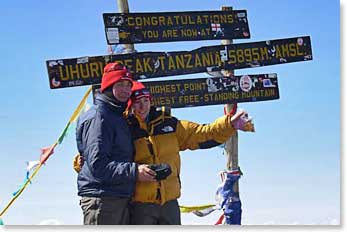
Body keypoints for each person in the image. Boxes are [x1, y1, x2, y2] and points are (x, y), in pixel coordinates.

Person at [74, 81, 254, 225]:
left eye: (145, 100)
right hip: (140, 206)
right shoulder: (124, 128)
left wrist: (229, 124)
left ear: (151, 101)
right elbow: (103, 154)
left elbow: (202, 133)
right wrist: (81, 163)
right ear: (129, 105)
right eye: (136, 102)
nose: (142, 107)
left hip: (170, 203)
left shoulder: (169, 125)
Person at [75, 62, 156, 225]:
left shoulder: (116, 117)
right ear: (108, 86)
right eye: (120, 85)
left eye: (128, 85)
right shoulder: (100, 117)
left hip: (116, 197)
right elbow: (98, 165)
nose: (126, 90)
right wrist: (135, 171)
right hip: (103, 199)